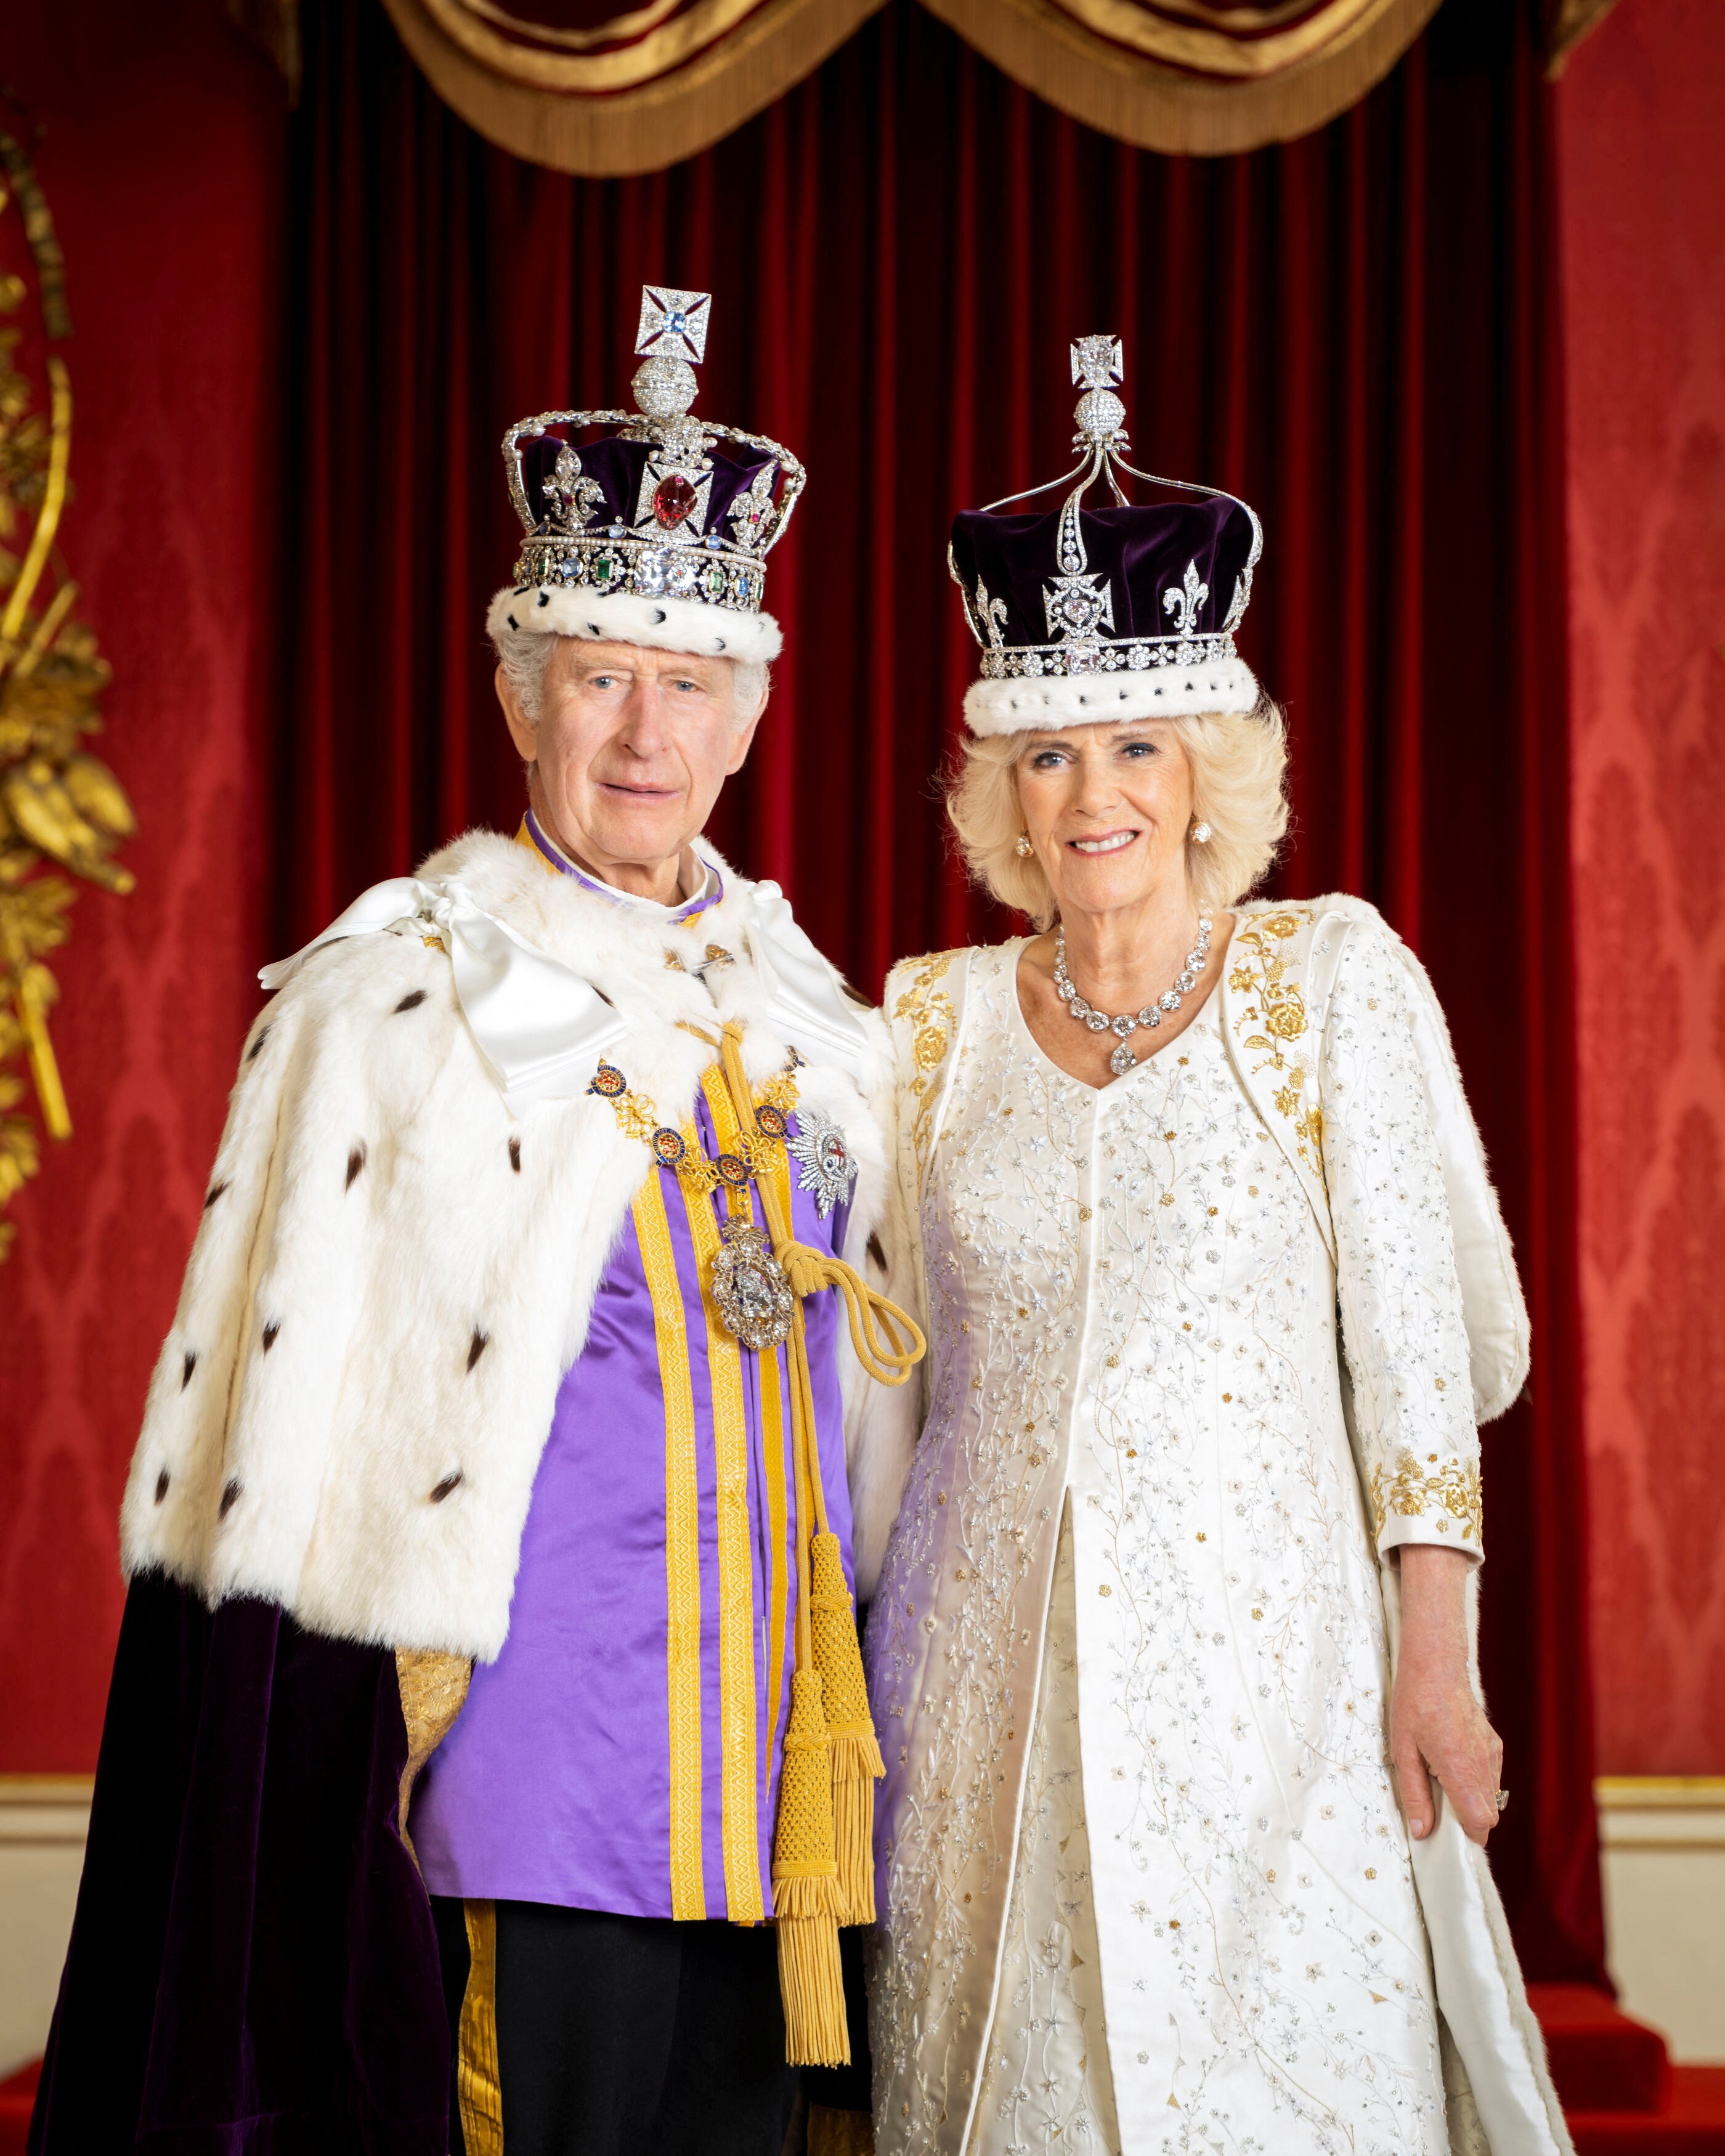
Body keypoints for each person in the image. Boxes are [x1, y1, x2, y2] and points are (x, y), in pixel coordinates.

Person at [30, 286, 920, 2156]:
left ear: (749, 716)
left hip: (764, 1813)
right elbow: (267, 1492)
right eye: (597, 672)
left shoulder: (817, 1028)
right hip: (519, 1795)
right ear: (519, 693)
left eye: (688, 682)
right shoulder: (402, 998)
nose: (642, 727)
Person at [858, 339, 1571, 2156]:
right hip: (979, 1705)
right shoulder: (922, 1025)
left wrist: (1440, 1657)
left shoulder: (1329, 981)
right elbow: (874, 1380)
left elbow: (1425, 1357)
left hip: (1281, 1709)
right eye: (1047, 750)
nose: (1092, 789)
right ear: (1001, 787)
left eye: (1134, 743)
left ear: (1206, 770)